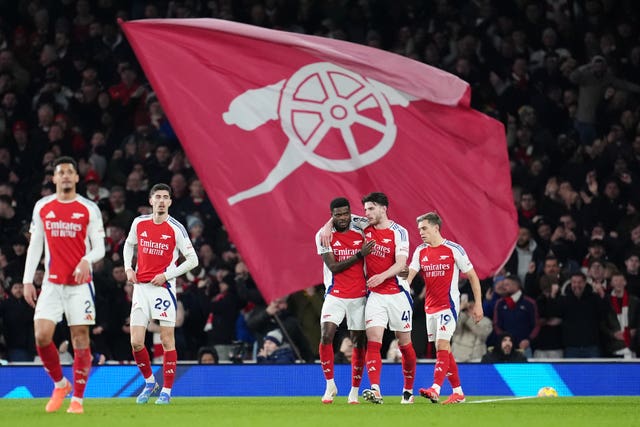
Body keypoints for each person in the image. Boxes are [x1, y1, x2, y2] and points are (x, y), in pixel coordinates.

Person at [22, 156, 106, 414]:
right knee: (41, 335)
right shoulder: (43, 207)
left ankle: (77, 400)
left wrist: (86, 260)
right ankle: (60, 384)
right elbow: (35, 245)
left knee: (80, 337)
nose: (67, 176)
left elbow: (100, 248)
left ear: (77, 178)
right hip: (51, 283)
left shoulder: (88, 208)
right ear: (54, 178)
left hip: (80, 285)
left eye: (71, 172)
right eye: (62, 172)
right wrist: (27, 280)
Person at [123, 183, 198, 405]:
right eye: (158, 197)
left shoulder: (176, 228)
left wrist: (167, 275)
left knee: (167, 340)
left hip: (163, 289)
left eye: (166, 197)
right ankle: (149, 383)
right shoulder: (139, 222)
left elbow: (193, 260)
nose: (162, 201)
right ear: (151, 201)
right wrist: (128, 267)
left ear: (170, 202)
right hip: (141, 288)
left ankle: (166, 390)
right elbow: (128, 245)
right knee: (136, 342)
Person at [406, 212, 483, 404]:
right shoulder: (420, 251)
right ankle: (458, 392)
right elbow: (409, 275)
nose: (421, 233)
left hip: (448, 306)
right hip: (429, 308)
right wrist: (401, 292)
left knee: (442, 345)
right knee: (445, 350)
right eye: (419, 230)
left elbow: (473, 276)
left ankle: (435, 388)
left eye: (424, 228)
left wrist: (478, 304)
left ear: (435, 228)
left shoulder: (453, 249)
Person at [315, 197, 374, 404]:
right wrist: (359, 255)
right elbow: (334, 267)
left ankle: (354, 392)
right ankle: (330, 385)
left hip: (359, 296)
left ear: (350, 212)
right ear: (332, 215)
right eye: (337, 215)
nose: (342, 218)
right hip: (335, 295)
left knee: (359, 341)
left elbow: (377, 222)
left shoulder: (360, 227)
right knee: (326, 335)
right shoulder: (323, 236)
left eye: (345, 213)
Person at [359, 192, 416, 405]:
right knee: (373, 342)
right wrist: (328, 226)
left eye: (371, 209)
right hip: (375, 296)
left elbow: (402, 263)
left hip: (398, 294)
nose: (367, 213)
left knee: (405, 345)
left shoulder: (399, 232)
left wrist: (381, 276)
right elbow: (338, 218)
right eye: (365, 209)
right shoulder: (364, 227)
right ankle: (375, 389)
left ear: (384, 208)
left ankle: (408, 391)